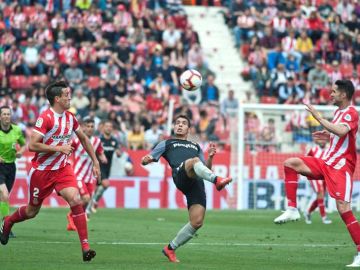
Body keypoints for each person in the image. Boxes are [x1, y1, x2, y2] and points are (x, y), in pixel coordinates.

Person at [0, 81, 100, 262]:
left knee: (76, 199)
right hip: (41, 172)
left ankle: (85, 248)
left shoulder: (70, 118)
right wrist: (58, 148)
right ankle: (8, 221)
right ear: (57, 99)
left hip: (62, 169)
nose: (70, 97)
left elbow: (84, 139)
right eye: (67, 95)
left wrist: (95, 161)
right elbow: (32, 145)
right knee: (32, 212)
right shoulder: (45, 118)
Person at [273, 80, 360, 267]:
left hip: (341, 167)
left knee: (344, 209)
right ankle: (292, 210)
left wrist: (319, 118)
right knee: (290, 164)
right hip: (326, 162)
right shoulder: (338, 112)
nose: (331, 95)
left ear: (344, 95)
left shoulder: (352, 112)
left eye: (334, 92)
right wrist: (327, 135)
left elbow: (342, 131)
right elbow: (338, 134)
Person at [141, 114, 232, 263]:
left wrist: (210, 157)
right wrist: (146, 159)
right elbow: (148, 158)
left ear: (188, 129)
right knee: (193, 161)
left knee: (197, 222)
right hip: (180, 175)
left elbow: (204, 168)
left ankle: (170, 248)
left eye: (183, 123)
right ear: (174, 127)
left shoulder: (196, 146)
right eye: (177, 123)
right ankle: (218, 180)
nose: (180, 125)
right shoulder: (167, 143)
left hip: (196, 183)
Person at [66, 117, 107, 230]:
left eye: (92, 127)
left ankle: (73, 222)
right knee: (86, 199)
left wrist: (103, 158)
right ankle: (70, 216)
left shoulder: (97, 141)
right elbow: (68, 150)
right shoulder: (76, 140)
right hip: (78, 175)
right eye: (87, 126)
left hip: (90, 177)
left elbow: (100, 153)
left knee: (86, 201)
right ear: (83, 127)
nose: (89, 129)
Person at [0, 106, 26, 238]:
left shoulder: (16, 130)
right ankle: (6, 226)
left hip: (11, 167)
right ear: (0, 117)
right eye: (4, 114)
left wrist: (20, 152)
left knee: (4, 197)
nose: (6, 116)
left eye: (8, 114)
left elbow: (24, 144)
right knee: (4, 194)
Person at [86, 120, 118, 216]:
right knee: (106, 184)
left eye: (110, 126)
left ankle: (88, 210)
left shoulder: (114, 141)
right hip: (98, 167)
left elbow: (118, 151)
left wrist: (119, 152)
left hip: (107, 168)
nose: (108, 128)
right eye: (107, 126)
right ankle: (95, 202)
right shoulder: (99, 140)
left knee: (96, 190)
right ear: (103, 128)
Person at [303, 140, 332, 225]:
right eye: (320, 139)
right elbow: (305, 160)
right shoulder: (313, 150)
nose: (322, 141)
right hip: (314, 175)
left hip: (324, 175)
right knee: (320, 192)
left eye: (323, 139)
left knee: (321, 196)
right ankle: (324, 217)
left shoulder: (329, 150)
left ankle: (308, 212)